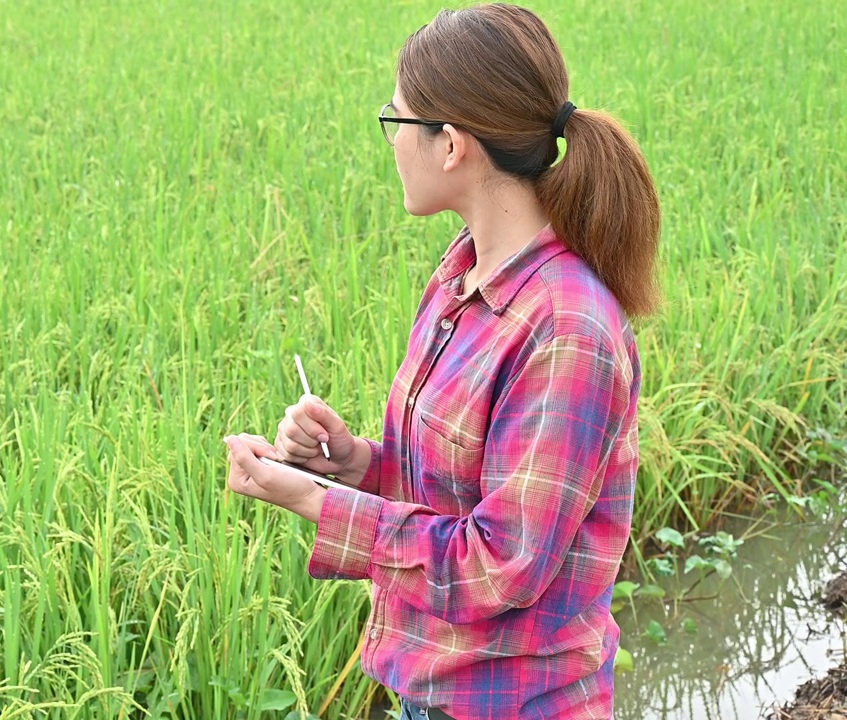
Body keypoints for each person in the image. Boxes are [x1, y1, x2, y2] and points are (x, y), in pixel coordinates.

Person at [222, 4, 659, 719]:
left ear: (451, 145)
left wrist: (311, 502)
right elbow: (455, 492)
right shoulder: (463, 277)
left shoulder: (566, 330)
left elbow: (500, 565)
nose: (389, 141)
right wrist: (351, 463)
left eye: (395, 121)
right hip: (433, 693)